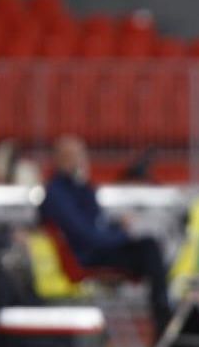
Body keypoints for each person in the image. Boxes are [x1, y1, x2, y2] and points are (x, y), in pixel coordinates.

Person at [41, 135, 172, 334]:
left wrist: (117, 226)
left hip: (98, 248)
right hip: (86, 258)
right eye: (75, 156)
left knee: (150, 248)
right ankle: (163, 319)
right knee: (149, 249)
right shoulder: (57, 194)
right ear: (61, 159)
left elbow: (96, 222)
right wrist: (123, 235)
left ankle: (164, 312)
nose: (81, 161)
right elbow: (87, 235)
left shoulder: (81, 187)